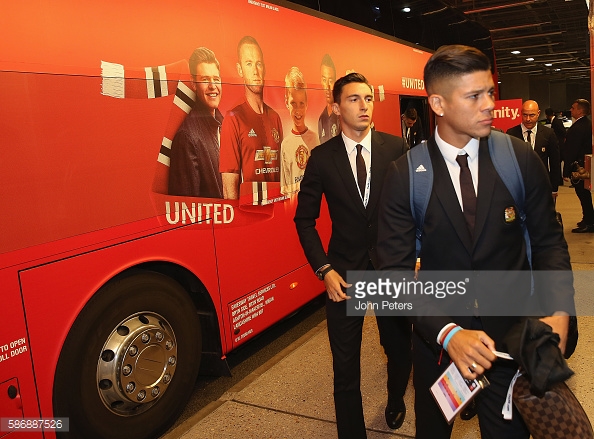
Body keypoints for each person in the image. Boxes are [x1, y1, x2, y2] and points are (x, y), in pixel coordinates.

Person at [377, 45, 574, 439]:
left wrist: (558, 310)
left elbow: (549, 241)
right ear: (437, 103)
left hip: (511, 345)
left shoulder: (517, 159)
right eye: (474, 96)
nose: (490, 105)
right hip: (440, 344)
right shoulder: (406, 176)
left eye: (490, 92)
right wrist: (448, 333)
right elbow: (392, 275)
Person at [295, 73, 411, 438]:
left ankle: (395, 399)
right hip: (343, 276)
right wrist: (324, 269)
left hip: (392, 270)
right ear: (335, 108)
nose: (364, 105)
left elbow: (414, 207)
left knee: (398, 349)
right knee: (345, 367)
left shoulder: (396, 149)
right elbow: (305, 220)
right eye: (354, 99)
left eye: (368, 98)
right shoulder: (321, 159)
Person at [219, 36, 283, 199]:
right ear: (240, 70)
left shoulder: (275, 117)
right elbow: (229, 187)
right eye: (249, 64)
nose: (255, 71)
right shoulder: (233, 118)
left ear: (264, 68)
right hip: (251, 214)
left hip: (277, 211)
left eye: (258, 63)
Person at [168, 47, 223, 198]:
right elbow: (188, 207)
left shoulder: (225, 126)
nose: (213, 86)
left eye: (216, 79)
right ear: (193, 84)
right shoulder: (187, 138)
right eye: (205, 80)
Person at [280, 67, 320, 196]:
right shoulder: (285, 145)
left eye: (301, 103)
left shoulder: (315, 139)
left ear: (307, 104)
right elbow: (285, 189)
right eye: (293, 103)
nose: (298, 110)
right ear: (286, 103)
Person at [506, 100, 560, 195]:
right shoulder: (511, 134)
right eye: (525, 115)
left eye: (532, 115)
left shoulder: (548, 134)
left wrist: (554, 187)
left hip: (542, 186)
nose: (528, 119)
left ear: (538, 113)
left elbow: (555, 162)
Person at [563, 99, 594, 232]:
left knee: (583, 195)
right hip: (586, 166)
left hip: (579, 168)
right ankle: (587, 219)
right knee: (585, 194)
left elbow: (571, 151)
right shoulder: (587, 124)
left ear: (580, 110)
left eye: (573, 108)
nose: (571, 110)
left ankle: (589, 223)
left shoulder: (577, 128)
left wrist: (565, 171)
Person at [318, 54, 341, 144]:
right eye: (324, 80)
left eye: (331, 81)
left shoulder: (342, 114)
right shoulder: (321, 119)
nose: (327, 86)